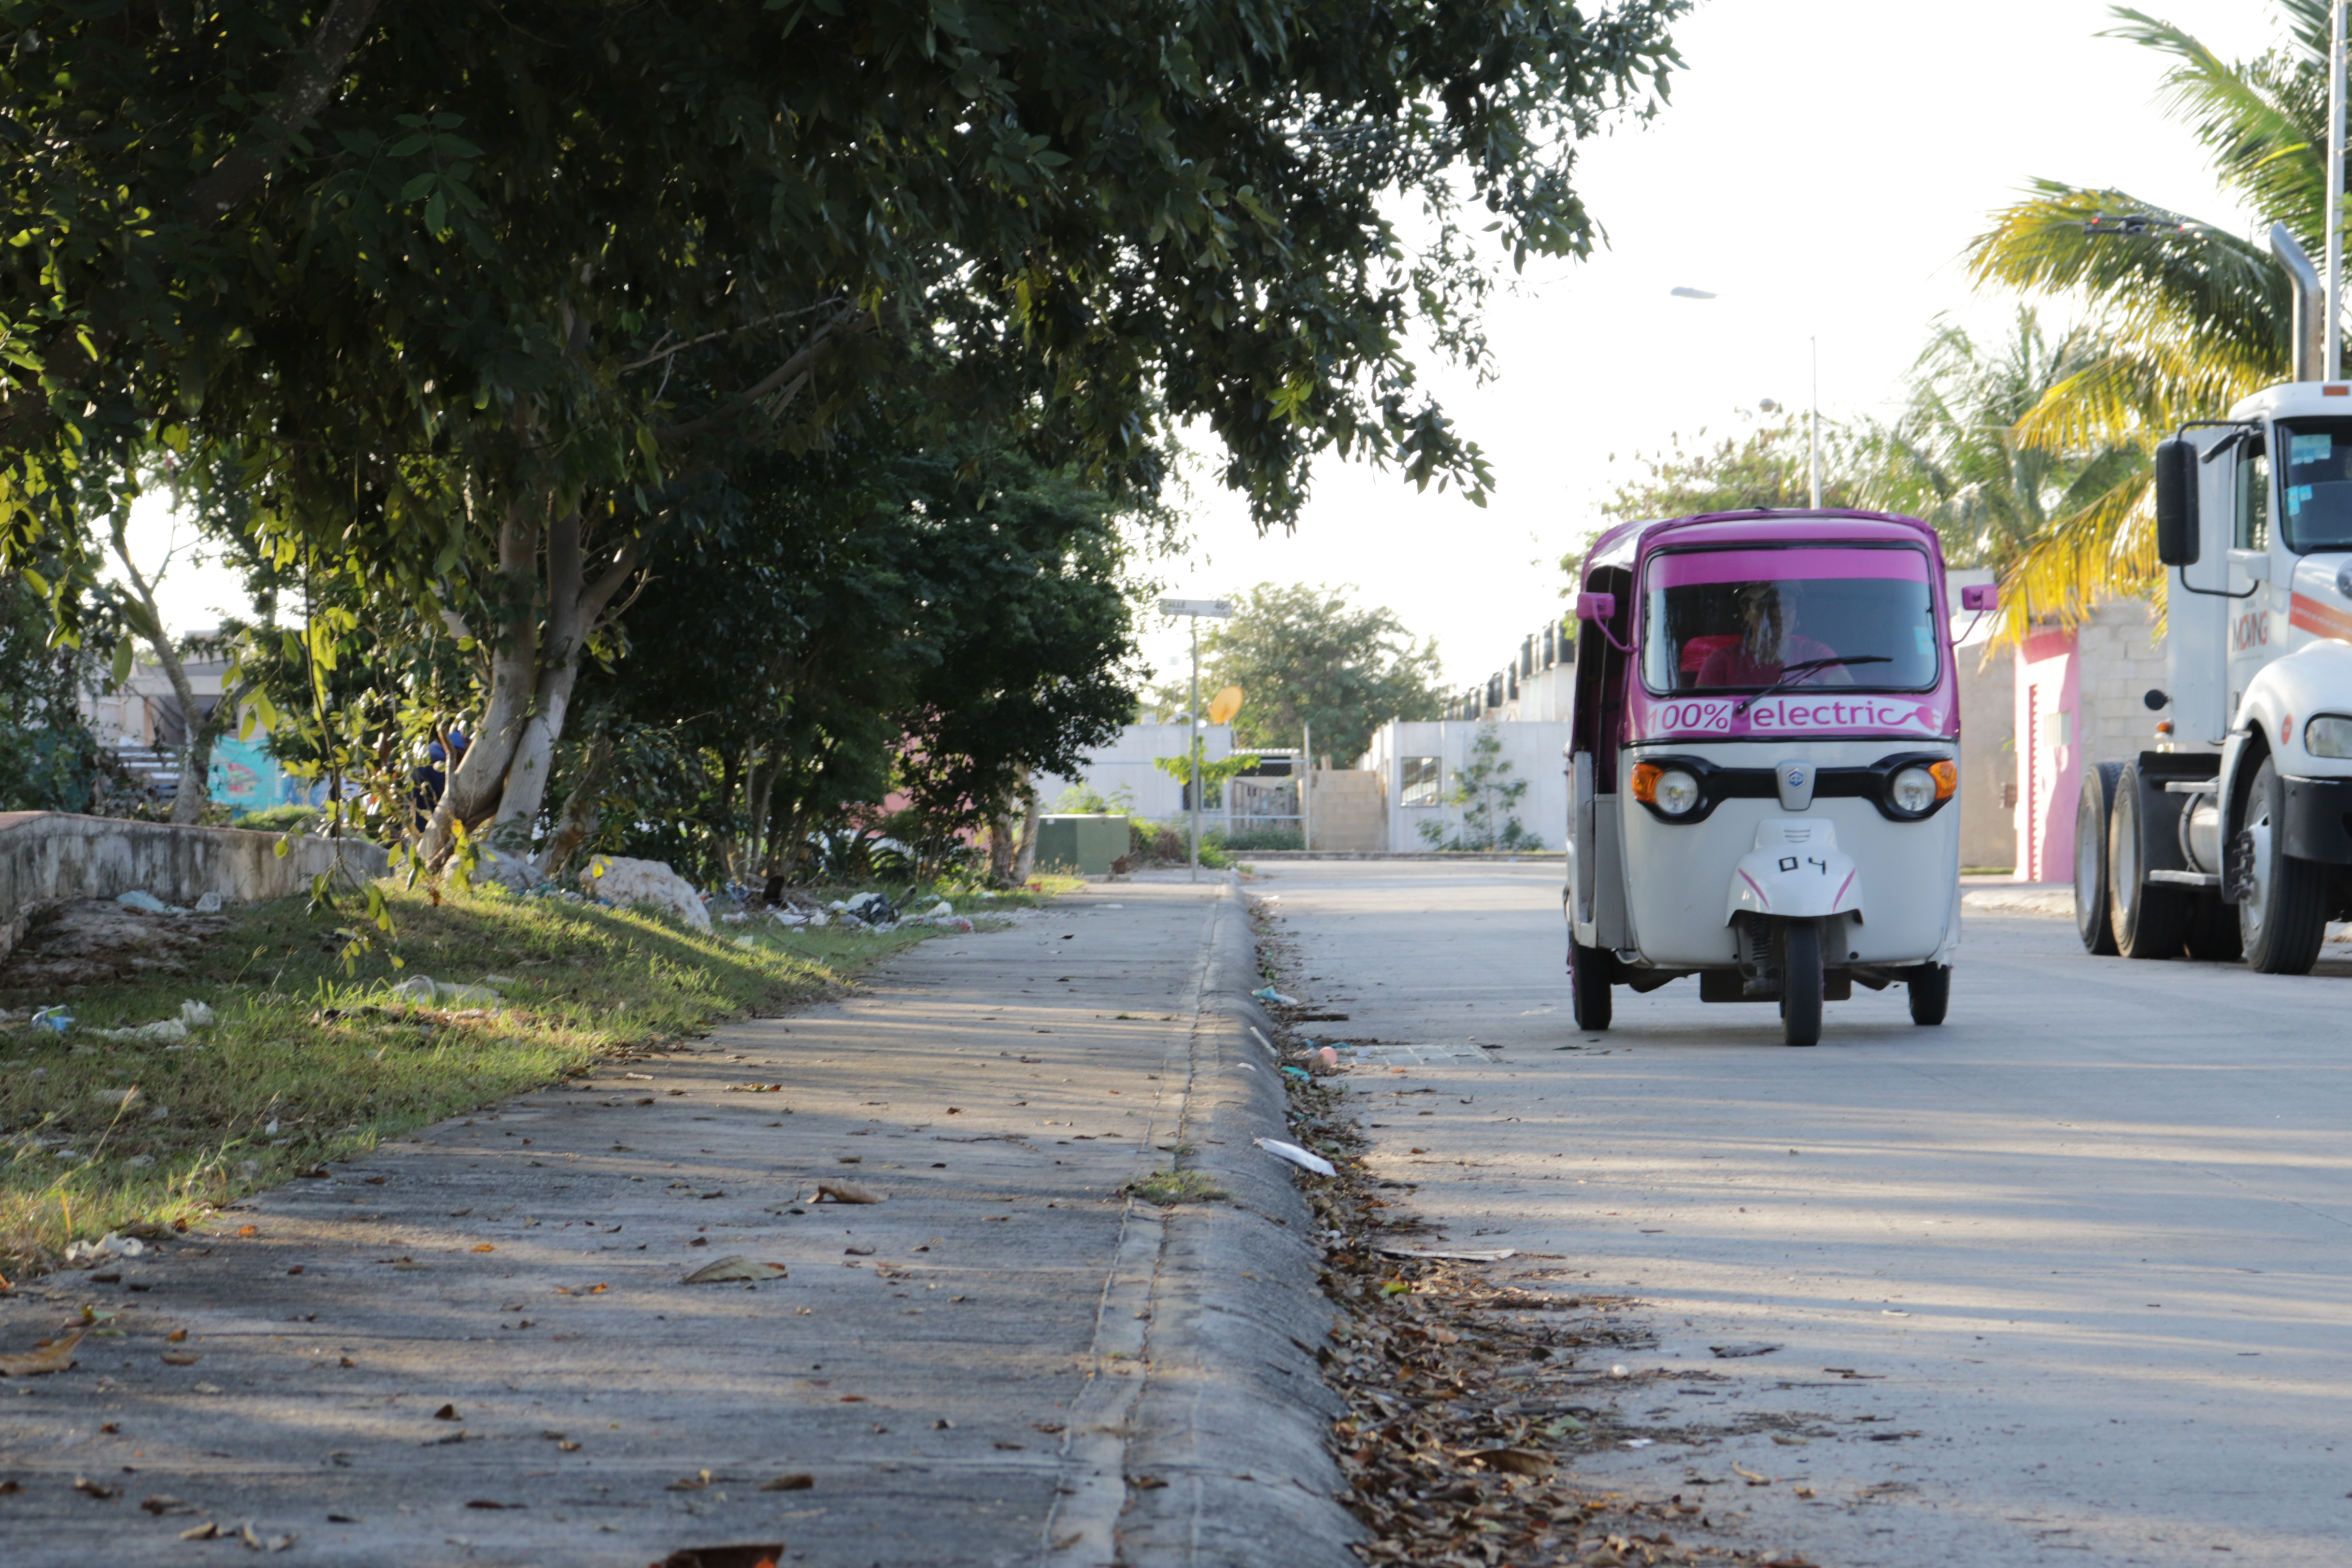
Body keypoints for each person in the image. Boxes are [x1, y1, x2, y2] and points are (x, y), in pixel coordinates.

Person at [1694, 583, 1844, 689]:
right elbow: (1700, 716)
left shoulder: (1817, 654)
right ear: (1746, 612)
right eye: (1766, 605)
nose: (1777, 615)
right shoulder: (1721, 661)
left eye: (1786, 604)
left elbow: (1848, 703)